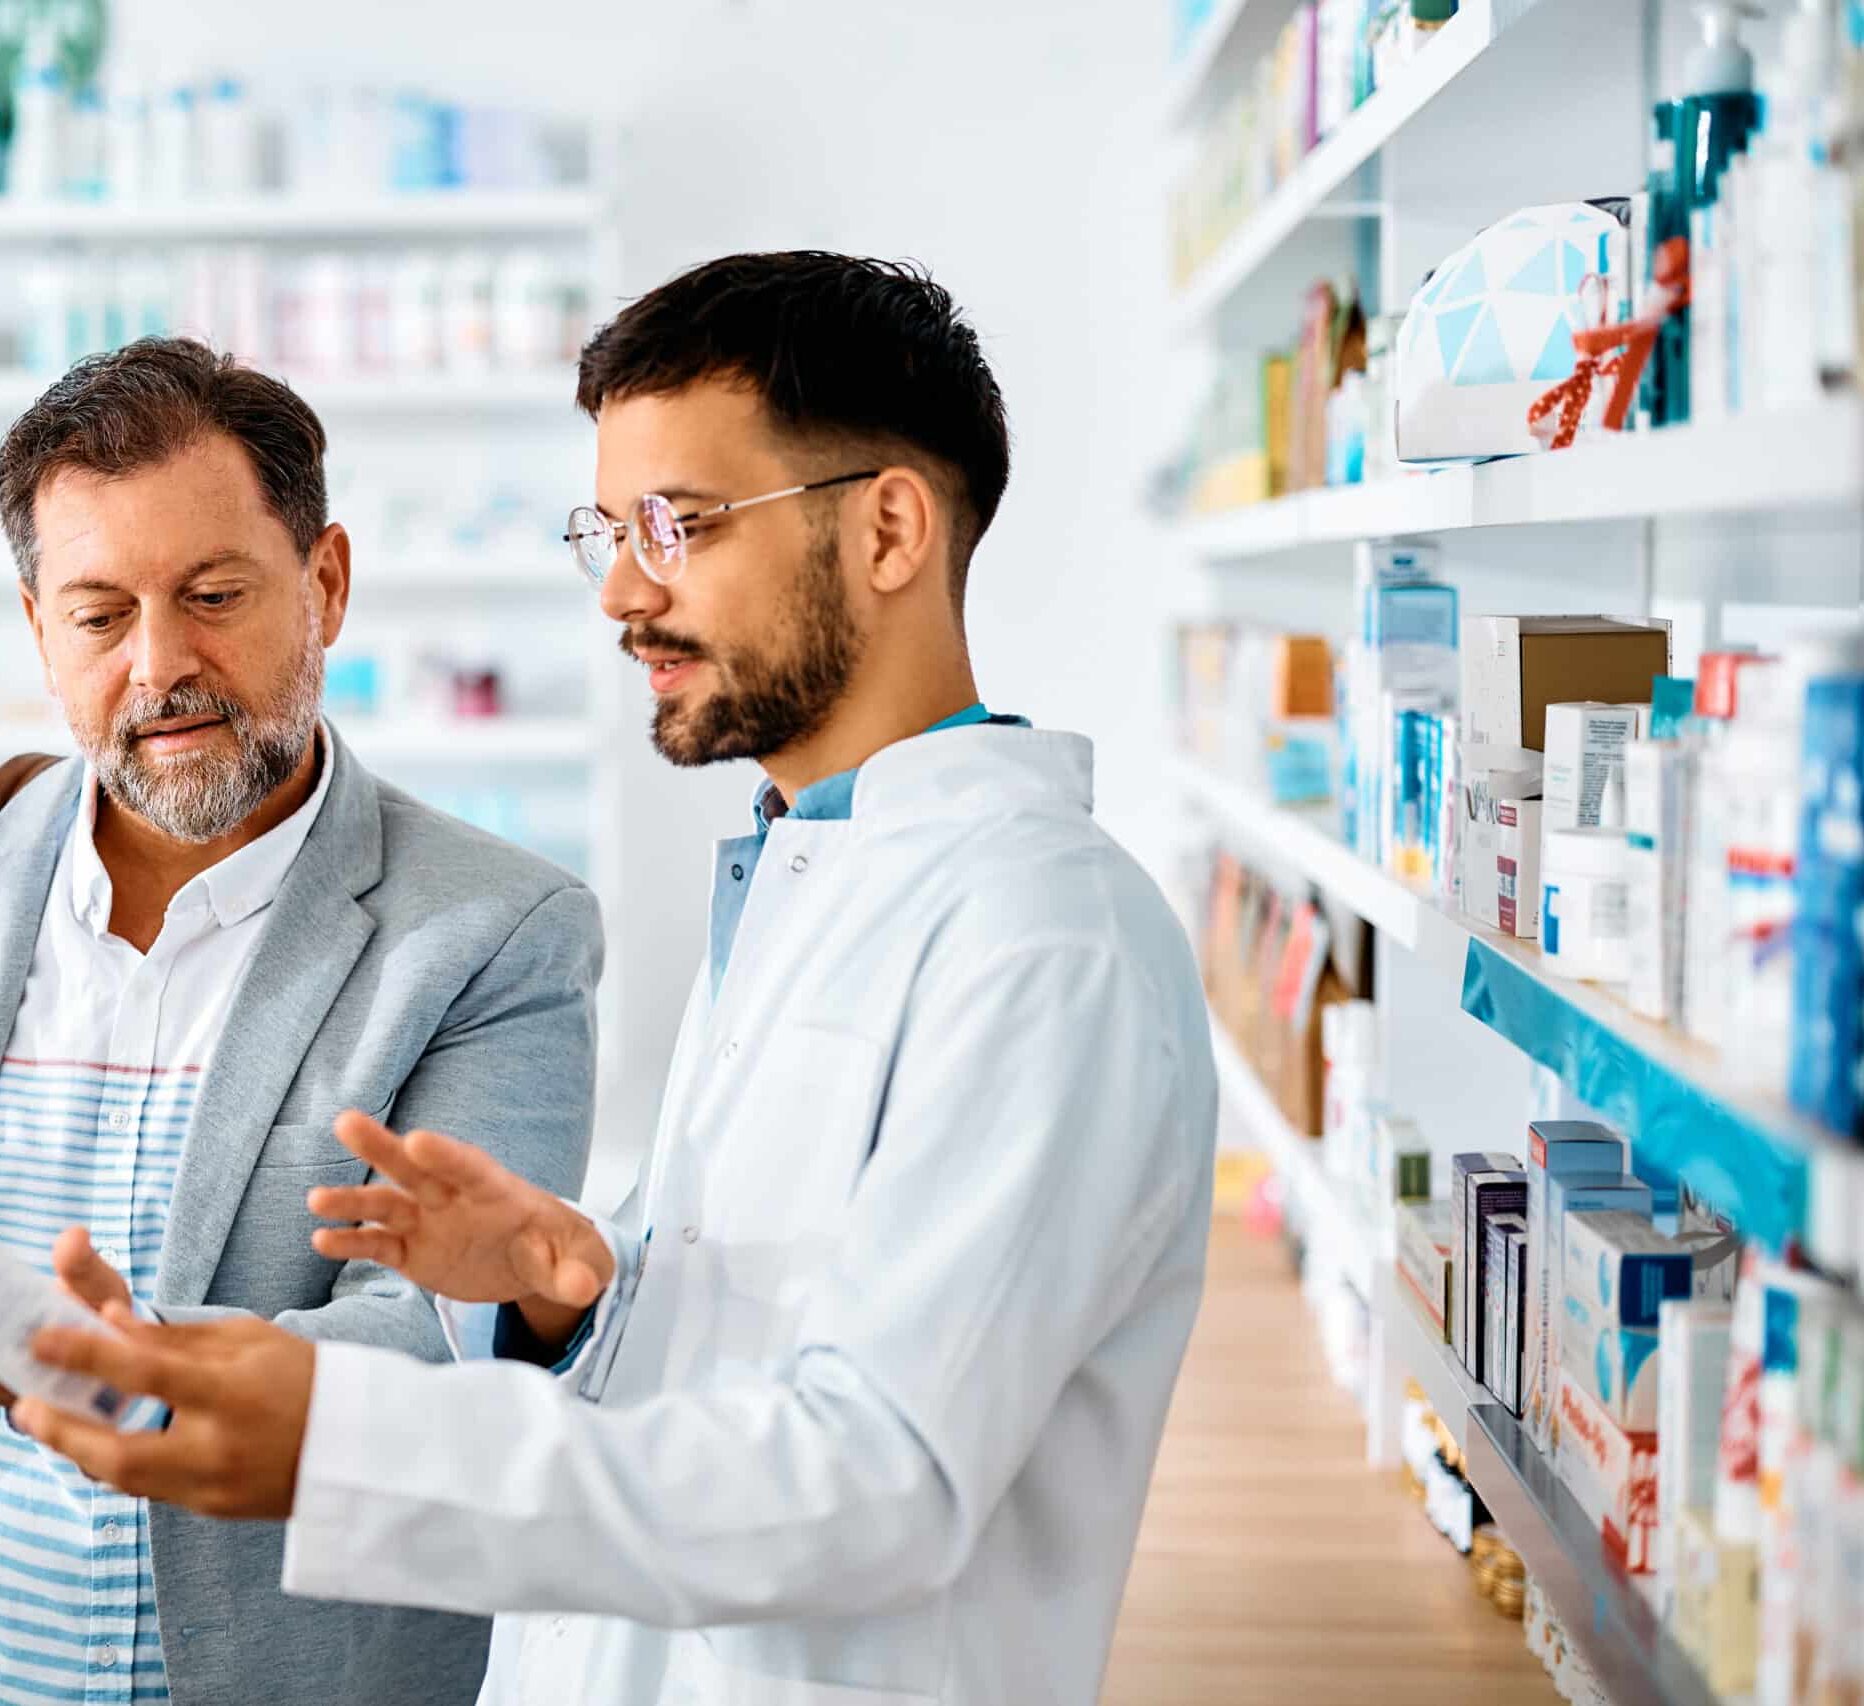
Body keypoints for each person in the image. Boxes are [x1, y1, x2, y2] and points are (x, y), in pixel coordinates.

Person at [16, 254, 1218, 1706]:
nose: (626, 591)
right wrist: (575, 1295)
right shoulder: (802, 876)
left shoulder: (1050, 942)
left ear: (890, 525)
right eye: (614, 529)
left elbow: (881, 1479)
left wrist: (343, 1435)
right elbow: (743, 1339)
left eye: (682, 522)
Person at [0, 338, 601, 1706]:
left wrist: (119, 1368)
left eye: (213, 595)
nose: (162, 667)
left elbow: (442, 1337)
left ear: (324, 584)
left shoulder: (494, 935)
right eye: (99, 615)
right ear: (39, 628)